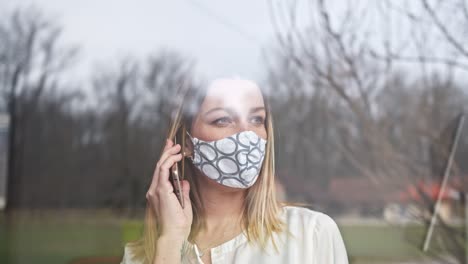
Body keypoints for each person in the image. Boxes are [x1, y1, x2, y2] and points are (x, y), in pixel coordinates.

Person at [120, 78, 348, 264]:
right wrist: (170, 240)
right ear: (187, 142)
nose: (246, 134)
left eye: (256, 119)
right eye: (223, 120)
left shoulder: (312, 236)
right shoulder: (140, 258)